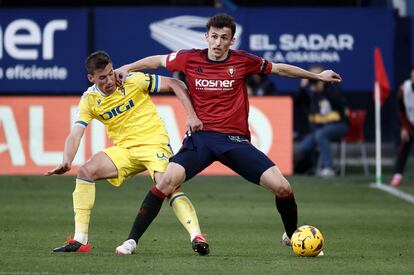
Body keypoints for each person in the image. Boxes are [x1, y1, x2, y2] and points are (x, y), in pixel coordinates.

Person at [114, 13, 341, 255]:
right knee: (165, 183)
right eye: (214, 36)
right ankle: (131, 241)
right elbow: (157, 60)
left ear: (232, 41)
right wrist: (128, 67)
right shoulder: (189, 58)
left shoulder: (243, 60)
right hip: (201, 138)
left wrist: (317, 76)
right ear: (206, 37)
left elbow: (280, 70)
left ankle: (293, 236)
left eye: (224, 37)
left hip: (235, 141)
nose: (218, 42)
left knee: (283, 188)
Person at [45, 51, 209, 255]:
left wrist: (191, 115)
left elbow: (177, 84)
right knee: (86, 171)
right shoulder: (89, 100)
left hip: (153, 144)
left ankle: (196, 235)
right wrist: (66, 161)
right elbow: (75, 134)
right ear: (91, 78)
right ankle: (80, 240)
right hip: (125, 150)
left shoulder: (133, 80)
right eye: (102, 77)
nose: (109, 80)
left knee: (168, 186)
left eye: (110, 73)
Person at [294, 65, 349, 177]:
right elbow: (298, 103)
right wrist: (302, 88)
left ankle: (329, 167)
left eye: (317, 75)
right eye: (312, 76)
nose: (314, 79)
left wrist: (324, 89)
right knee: (303, 147)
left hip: (339, 125)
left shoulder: (332, 86)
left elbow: (340, 102)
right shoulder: (311, 91)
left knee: (320, 135)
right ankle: (313, 167)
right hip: (319, 128)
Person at [390, 68, 414, 186]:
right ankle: (397, 175)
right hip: (410, 122)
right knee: (404, 147)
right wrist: (405, 127)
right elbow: (401, 110)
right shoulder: (404, 89)